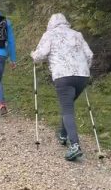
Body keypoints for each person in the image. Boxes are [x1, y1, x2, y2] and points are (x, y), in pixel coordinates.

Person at [30, 13, 93, 161]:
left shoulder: (49, 34)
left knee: (67, 109)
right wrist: (84, 68)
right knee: (68, 107)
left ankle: (75, 145)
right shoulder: (77, 34)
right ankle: (63, 134)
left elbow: (40, 55)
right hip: (83, 76)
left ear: (50, 23)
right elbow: (89, 55)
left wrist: (33, 55)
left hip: (63, 76)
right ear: (66, 22)